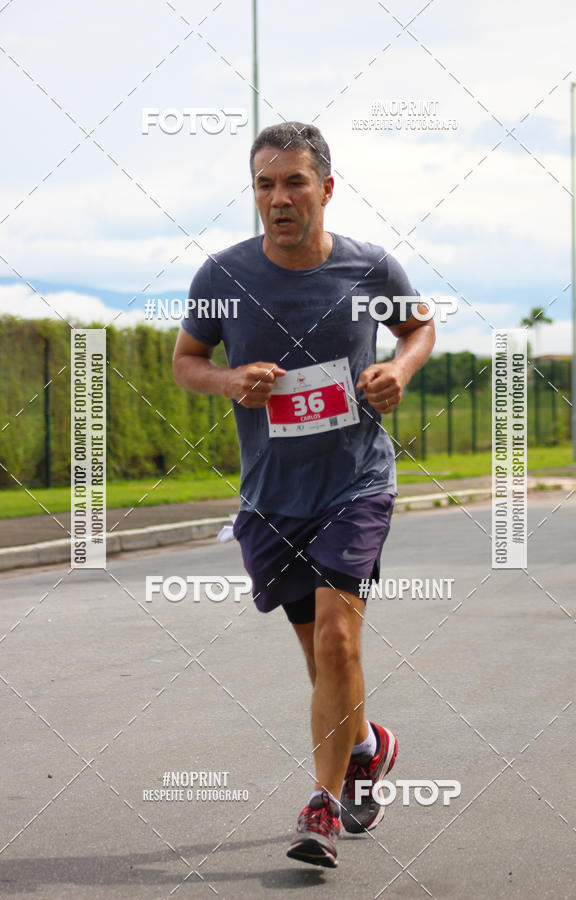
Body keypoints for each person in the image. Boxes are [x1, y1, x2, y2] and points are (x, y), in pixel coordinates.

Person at [172, 121, 435, 868]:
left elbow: (419, 328)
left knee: (335, 637)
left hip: (355, 480)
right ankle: (366, 745)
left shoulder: (369, 266)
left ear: (325, 188)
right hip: (270, 497)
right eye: (264, 184)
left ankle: (322, 805)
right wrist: (228, 381)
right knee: (324, 661)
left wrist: (401, 372)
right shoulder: (221, 279)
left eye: (293, 182)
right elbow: (187, 360)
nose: (278, 198)